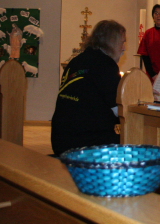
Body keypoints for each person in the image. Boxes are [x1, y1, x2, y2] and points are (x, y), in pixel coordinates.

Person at [51, 20, 126, 156]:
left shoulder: (76, 61)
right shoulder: (106, 65)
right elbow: (120, 110)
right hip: (86, 141)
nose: (124, 48)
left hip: (60, 139)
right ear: (112, 42)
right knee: (134, 144)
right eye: (122, 42)